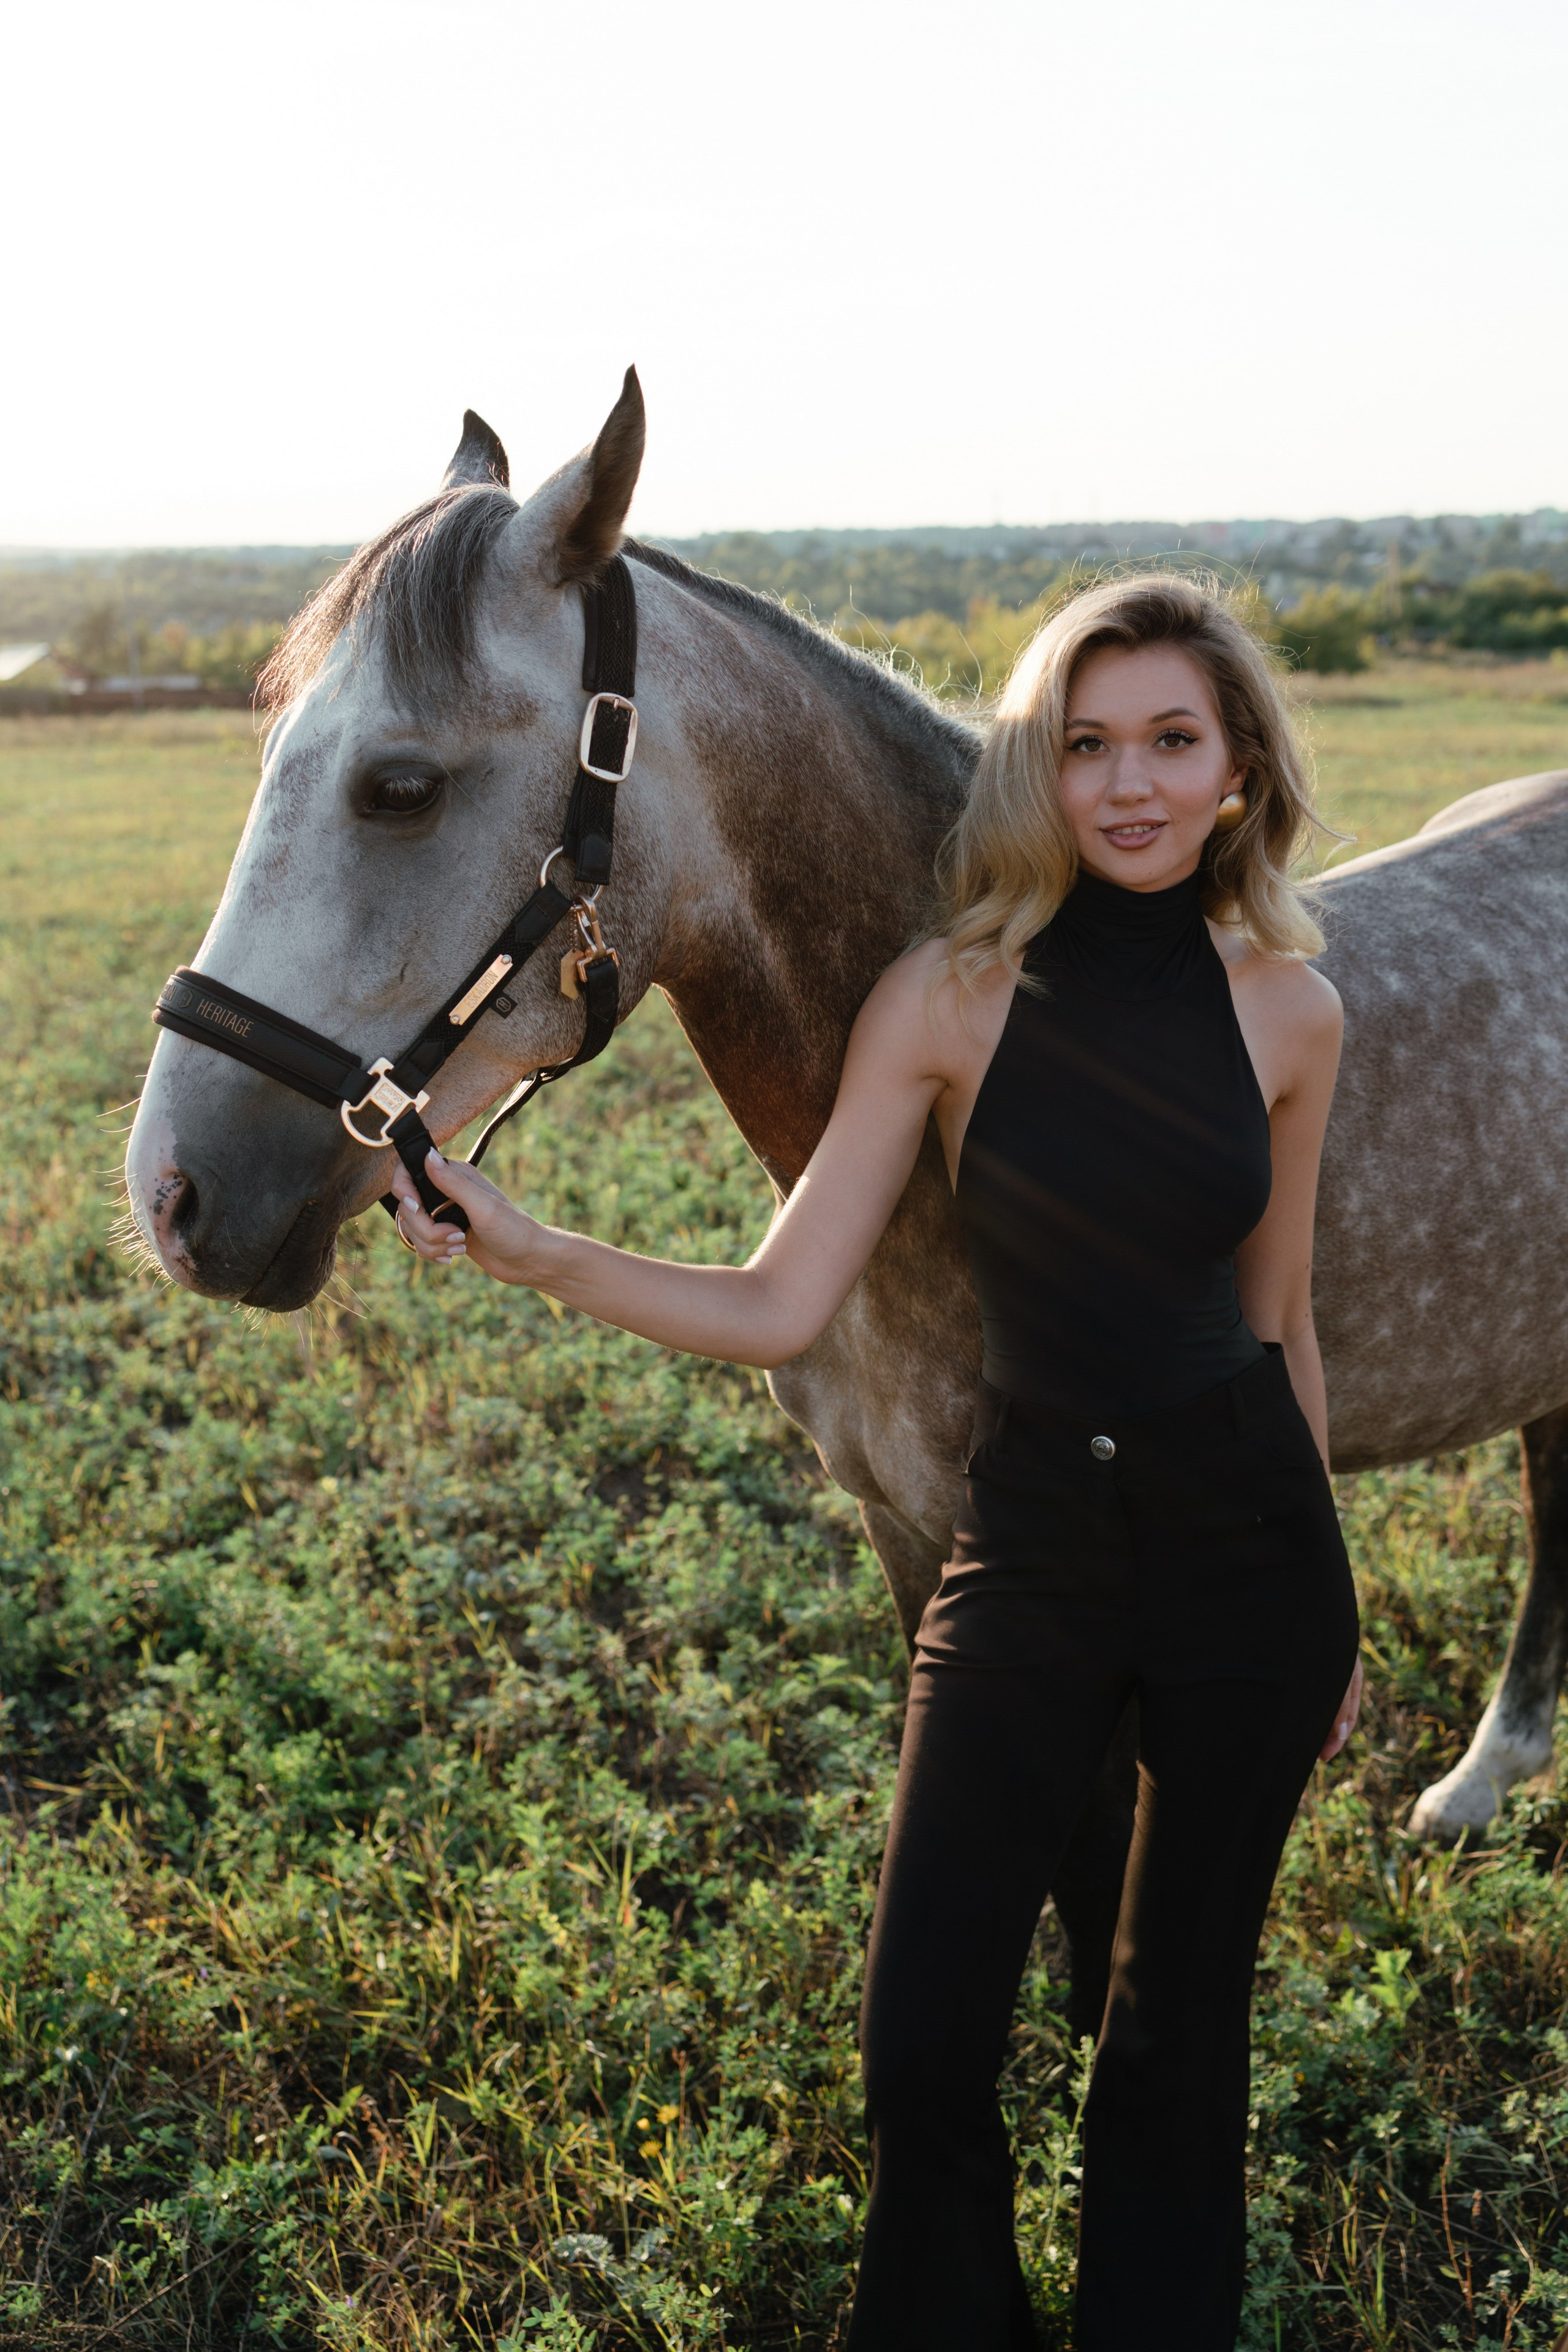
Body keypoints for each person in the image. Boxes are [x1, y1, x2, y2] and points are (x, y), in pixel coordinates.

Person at [390, 573, 1363, 2351]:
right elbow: (781, 1304)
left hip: (1250, 1561)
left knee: (1170, 2042)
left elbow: (1280, 1321)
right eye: (1087, 745)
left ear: (1238, 771)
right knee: (922, 2042)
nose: (1130, 784)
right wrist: (534, 1249)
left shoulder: (1291, 1015)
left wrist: (1337, 1606)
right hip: (1034, 1553)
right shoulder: (947, 999)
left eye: (1171, 741)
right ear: (1037, 773)